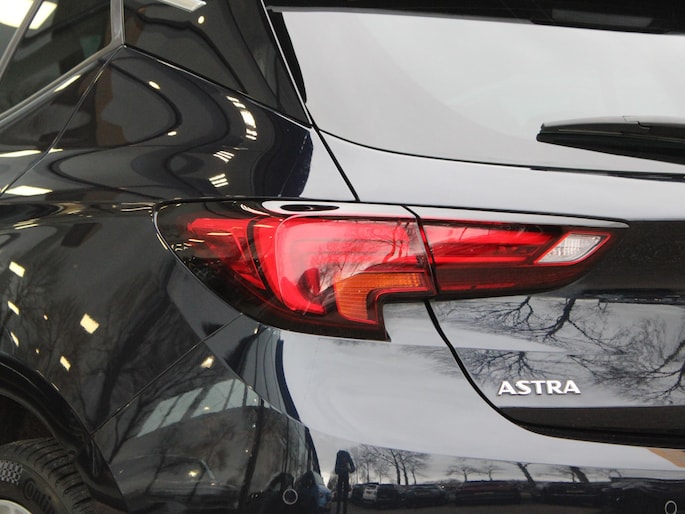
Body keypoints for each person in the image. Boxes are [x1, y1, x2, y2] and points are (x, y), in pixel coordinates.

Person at [334, 450, 355, 514]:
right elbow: (353, 467)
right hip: (343, 475)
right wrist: (349, 470)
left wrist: (349, 470)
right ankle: (341, 511)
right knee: (342, 494)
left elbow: (336, 469)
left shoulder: (342, 455)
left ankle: (340, 511)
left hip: (343, 475)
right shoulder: (342, 456)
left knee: (342, 494)